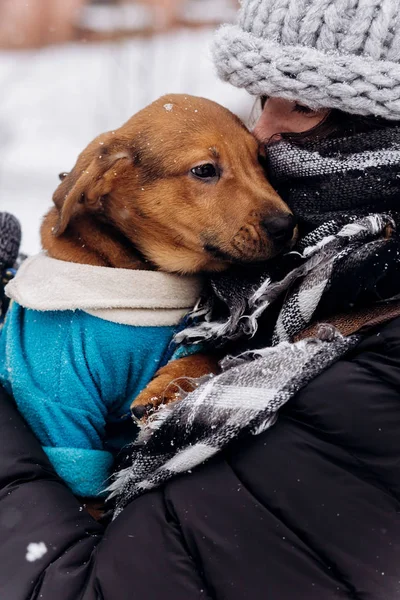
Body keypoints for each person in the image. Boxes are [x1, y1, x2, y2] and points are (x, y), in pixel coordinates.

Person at [1, 0, 400, 598]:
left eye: (304, 103)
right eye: (260, 101)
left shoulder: (367, 368)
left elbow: (89, 581)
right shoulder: (266, 289)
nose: (261, 134)